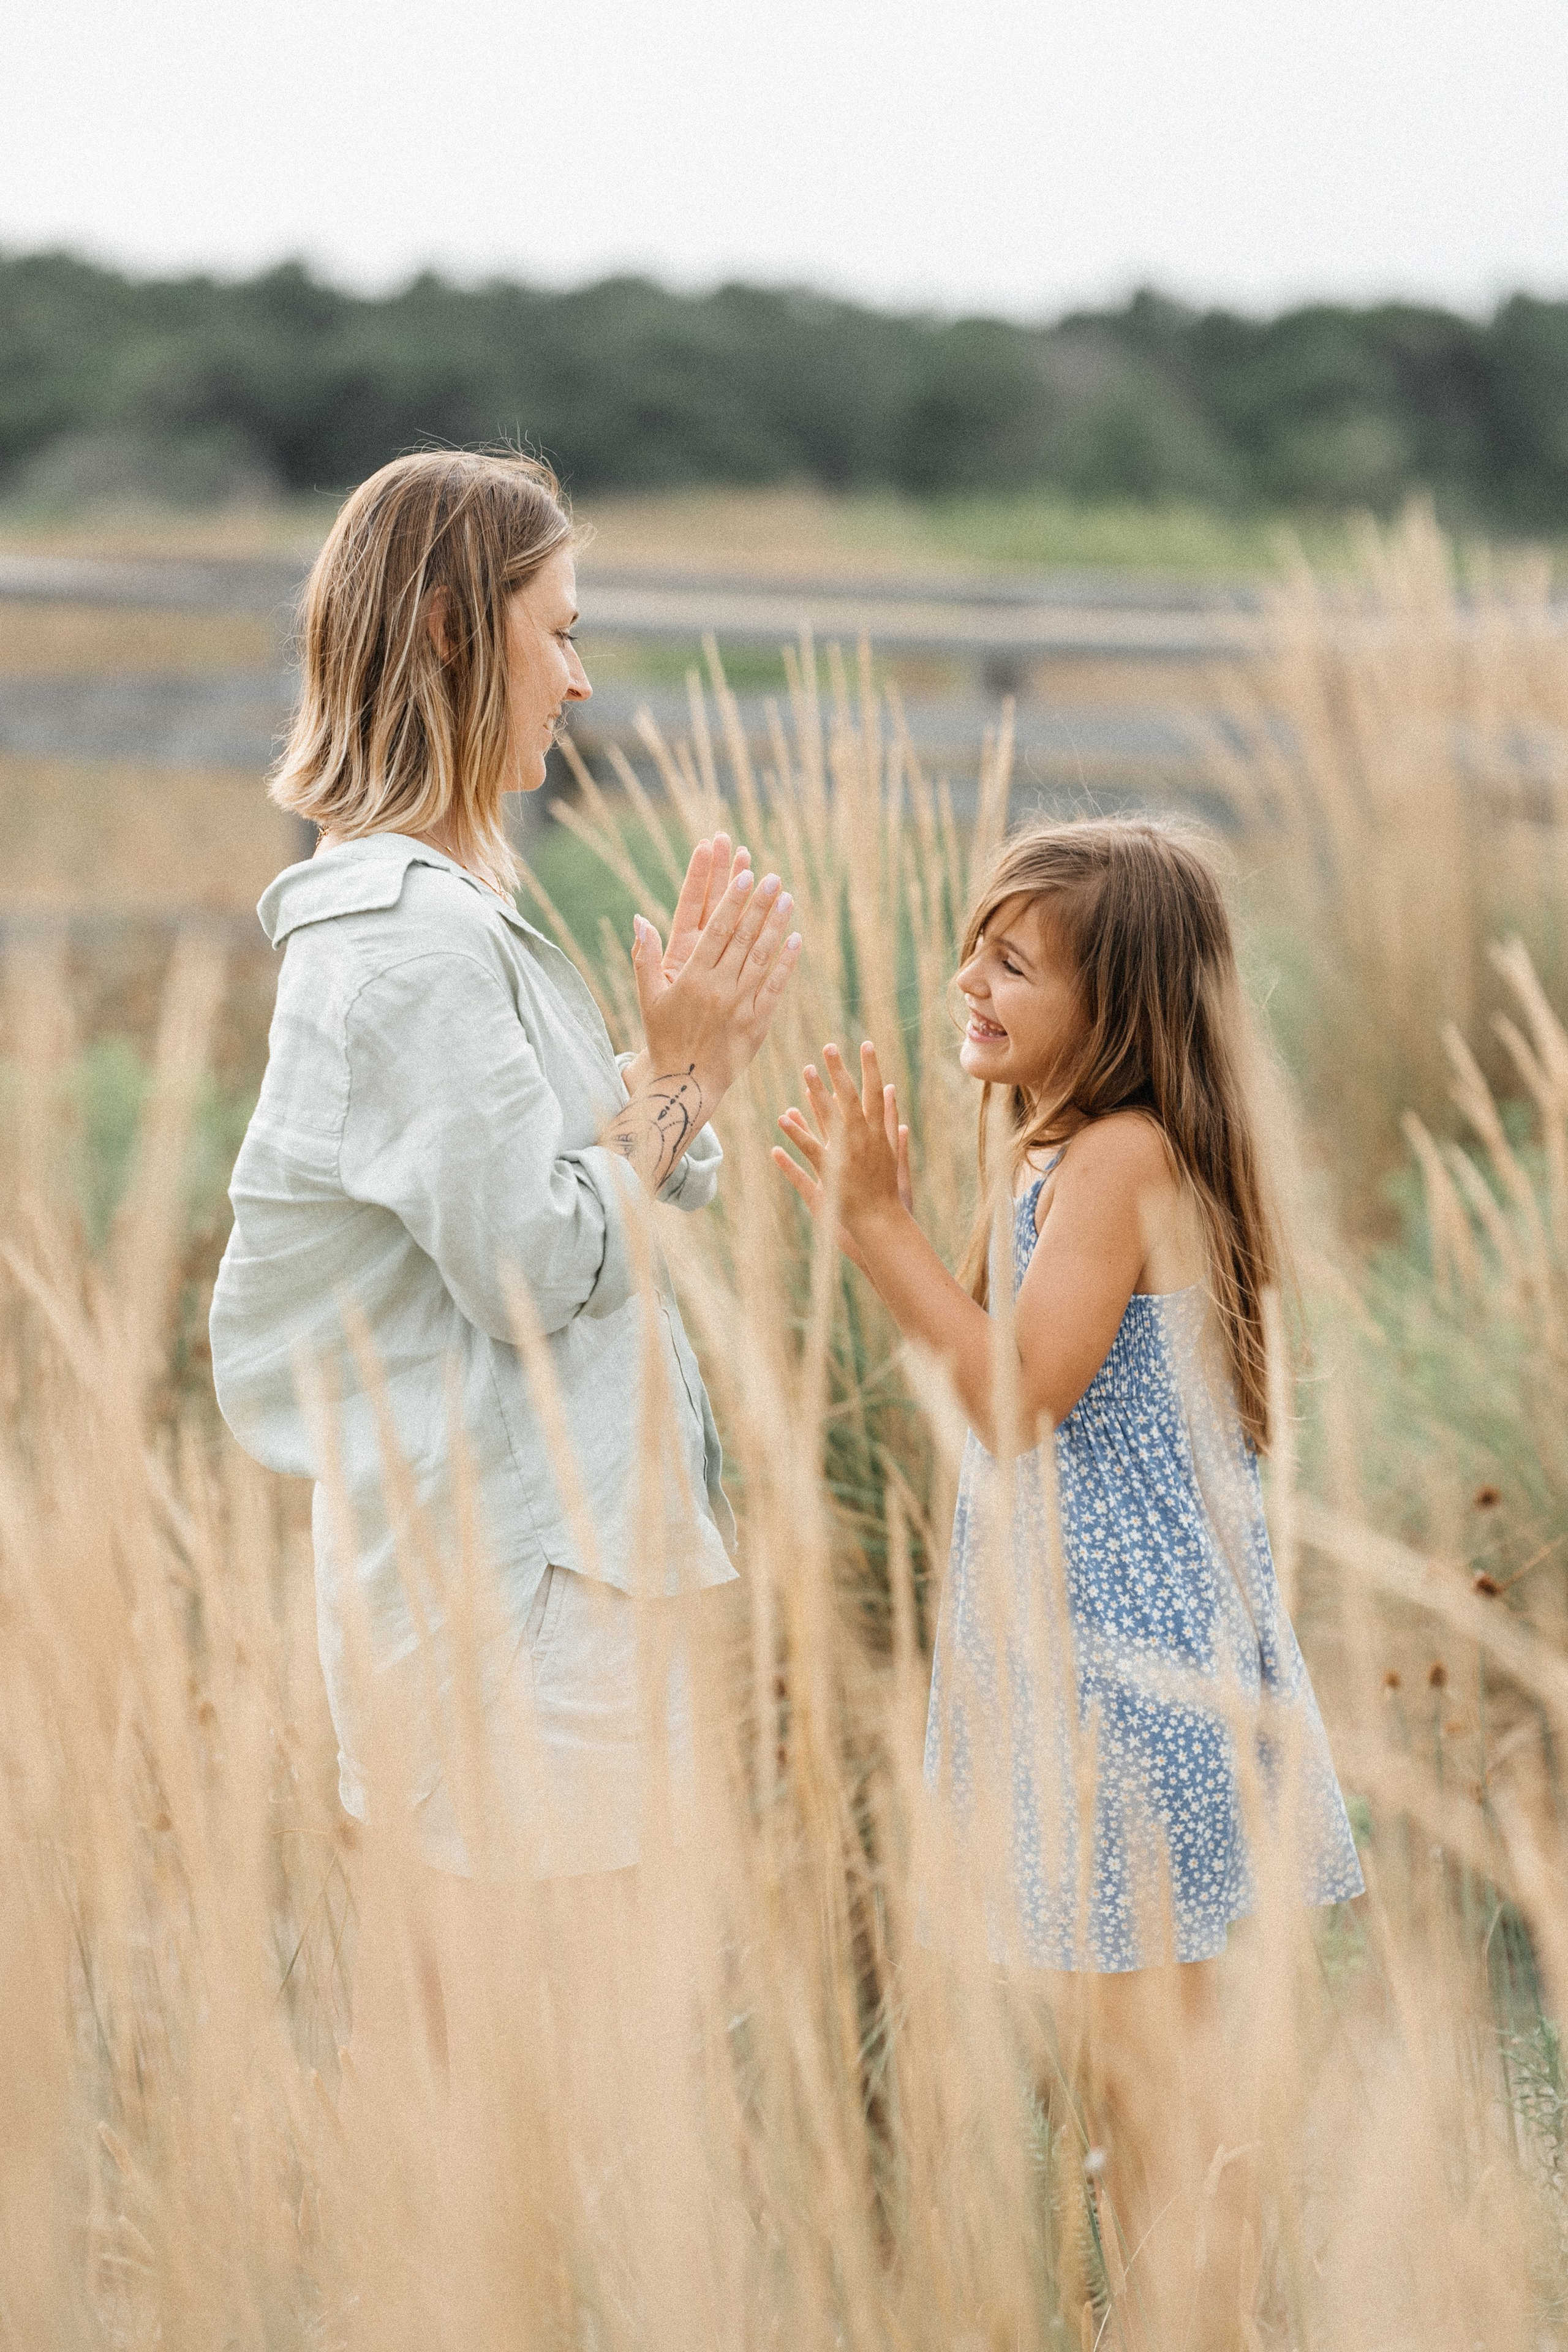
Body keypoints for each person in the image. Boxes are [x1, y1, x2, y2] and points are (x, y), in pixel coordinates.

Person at [772, 815, 1362, 2340]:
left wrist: (874, 1226)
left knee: (1153, 2098)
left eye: (1013, 965)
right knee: (1132, 2095)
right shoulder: (1064, 1151)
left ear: (1121, 1010)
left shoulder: (1118, 1156)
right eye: (974, 948)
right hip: (1101, 1683)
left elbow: (1017, 1402)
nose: (970, 981)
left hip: (1131, 1698)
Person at [209, 449, 801, 1913]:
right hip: (515, 1597)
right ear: (451, 632)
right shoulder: (407, 943)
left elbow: (529, 1179)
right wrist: (687, 1077)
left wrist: (671, 1067)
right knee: (548, 2009)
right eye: (561, 633)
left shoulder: (443, 916)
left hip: (533, 1567)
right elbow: (535, 1264)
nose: (578, 681)